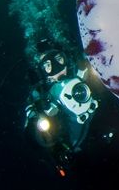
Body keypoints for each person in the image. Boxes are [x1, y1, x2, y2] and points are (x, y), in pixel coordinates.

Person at [24, 40, 99, 176]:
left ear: (66, 59)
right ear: (41, 72)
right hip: (80, 161)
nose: (57, 69)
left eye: (59, 60)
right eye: (48, 66)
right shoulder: (38, 97)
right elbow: (32, 136)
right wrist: (41, 118)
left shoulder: (83, 75)